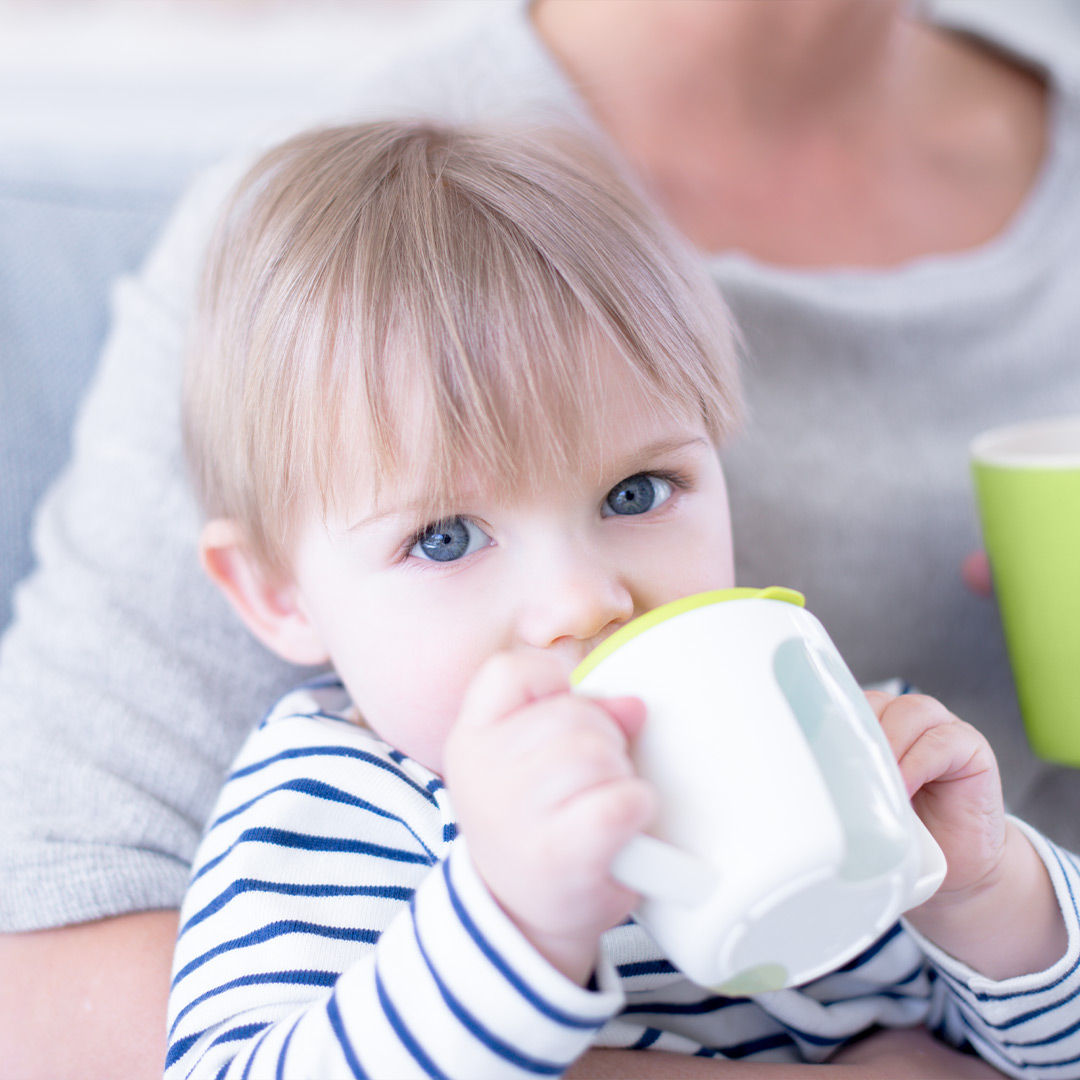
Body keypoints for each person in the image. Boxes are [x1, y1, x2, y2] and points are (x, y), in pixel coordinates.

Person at [3, 1, 1080, 1077]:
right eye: (445, 537)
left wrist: (1000, 901)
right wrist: (512, 925)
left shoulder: (815, 734)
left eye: (636, 493)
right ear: (278, 594)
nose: (583, 600)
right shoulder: (328, 815)